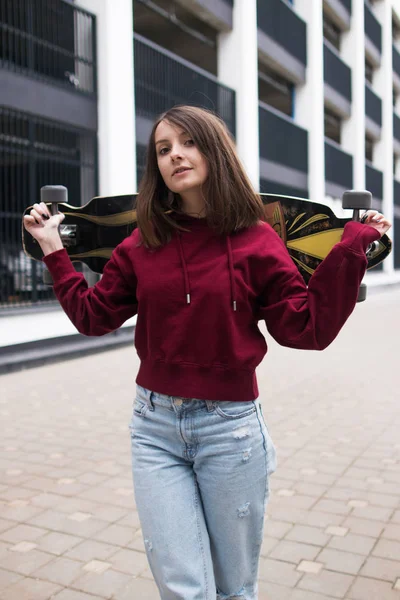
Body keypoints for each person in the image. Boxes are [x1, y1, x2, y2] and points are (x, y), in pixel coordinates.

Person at [23, 105, 391, 600]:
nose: (175, 155)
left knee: (234, 589)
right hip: (154, 428)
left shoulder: (259, 241)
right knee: (183, 588)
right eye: (163, 149)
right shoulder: (141, 242)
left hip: (231, 428)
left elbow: (306, 329)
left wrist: (349, 250)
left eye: (188, 142)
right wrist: (54, 252)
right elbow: (94, 317)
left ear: (214, 149)